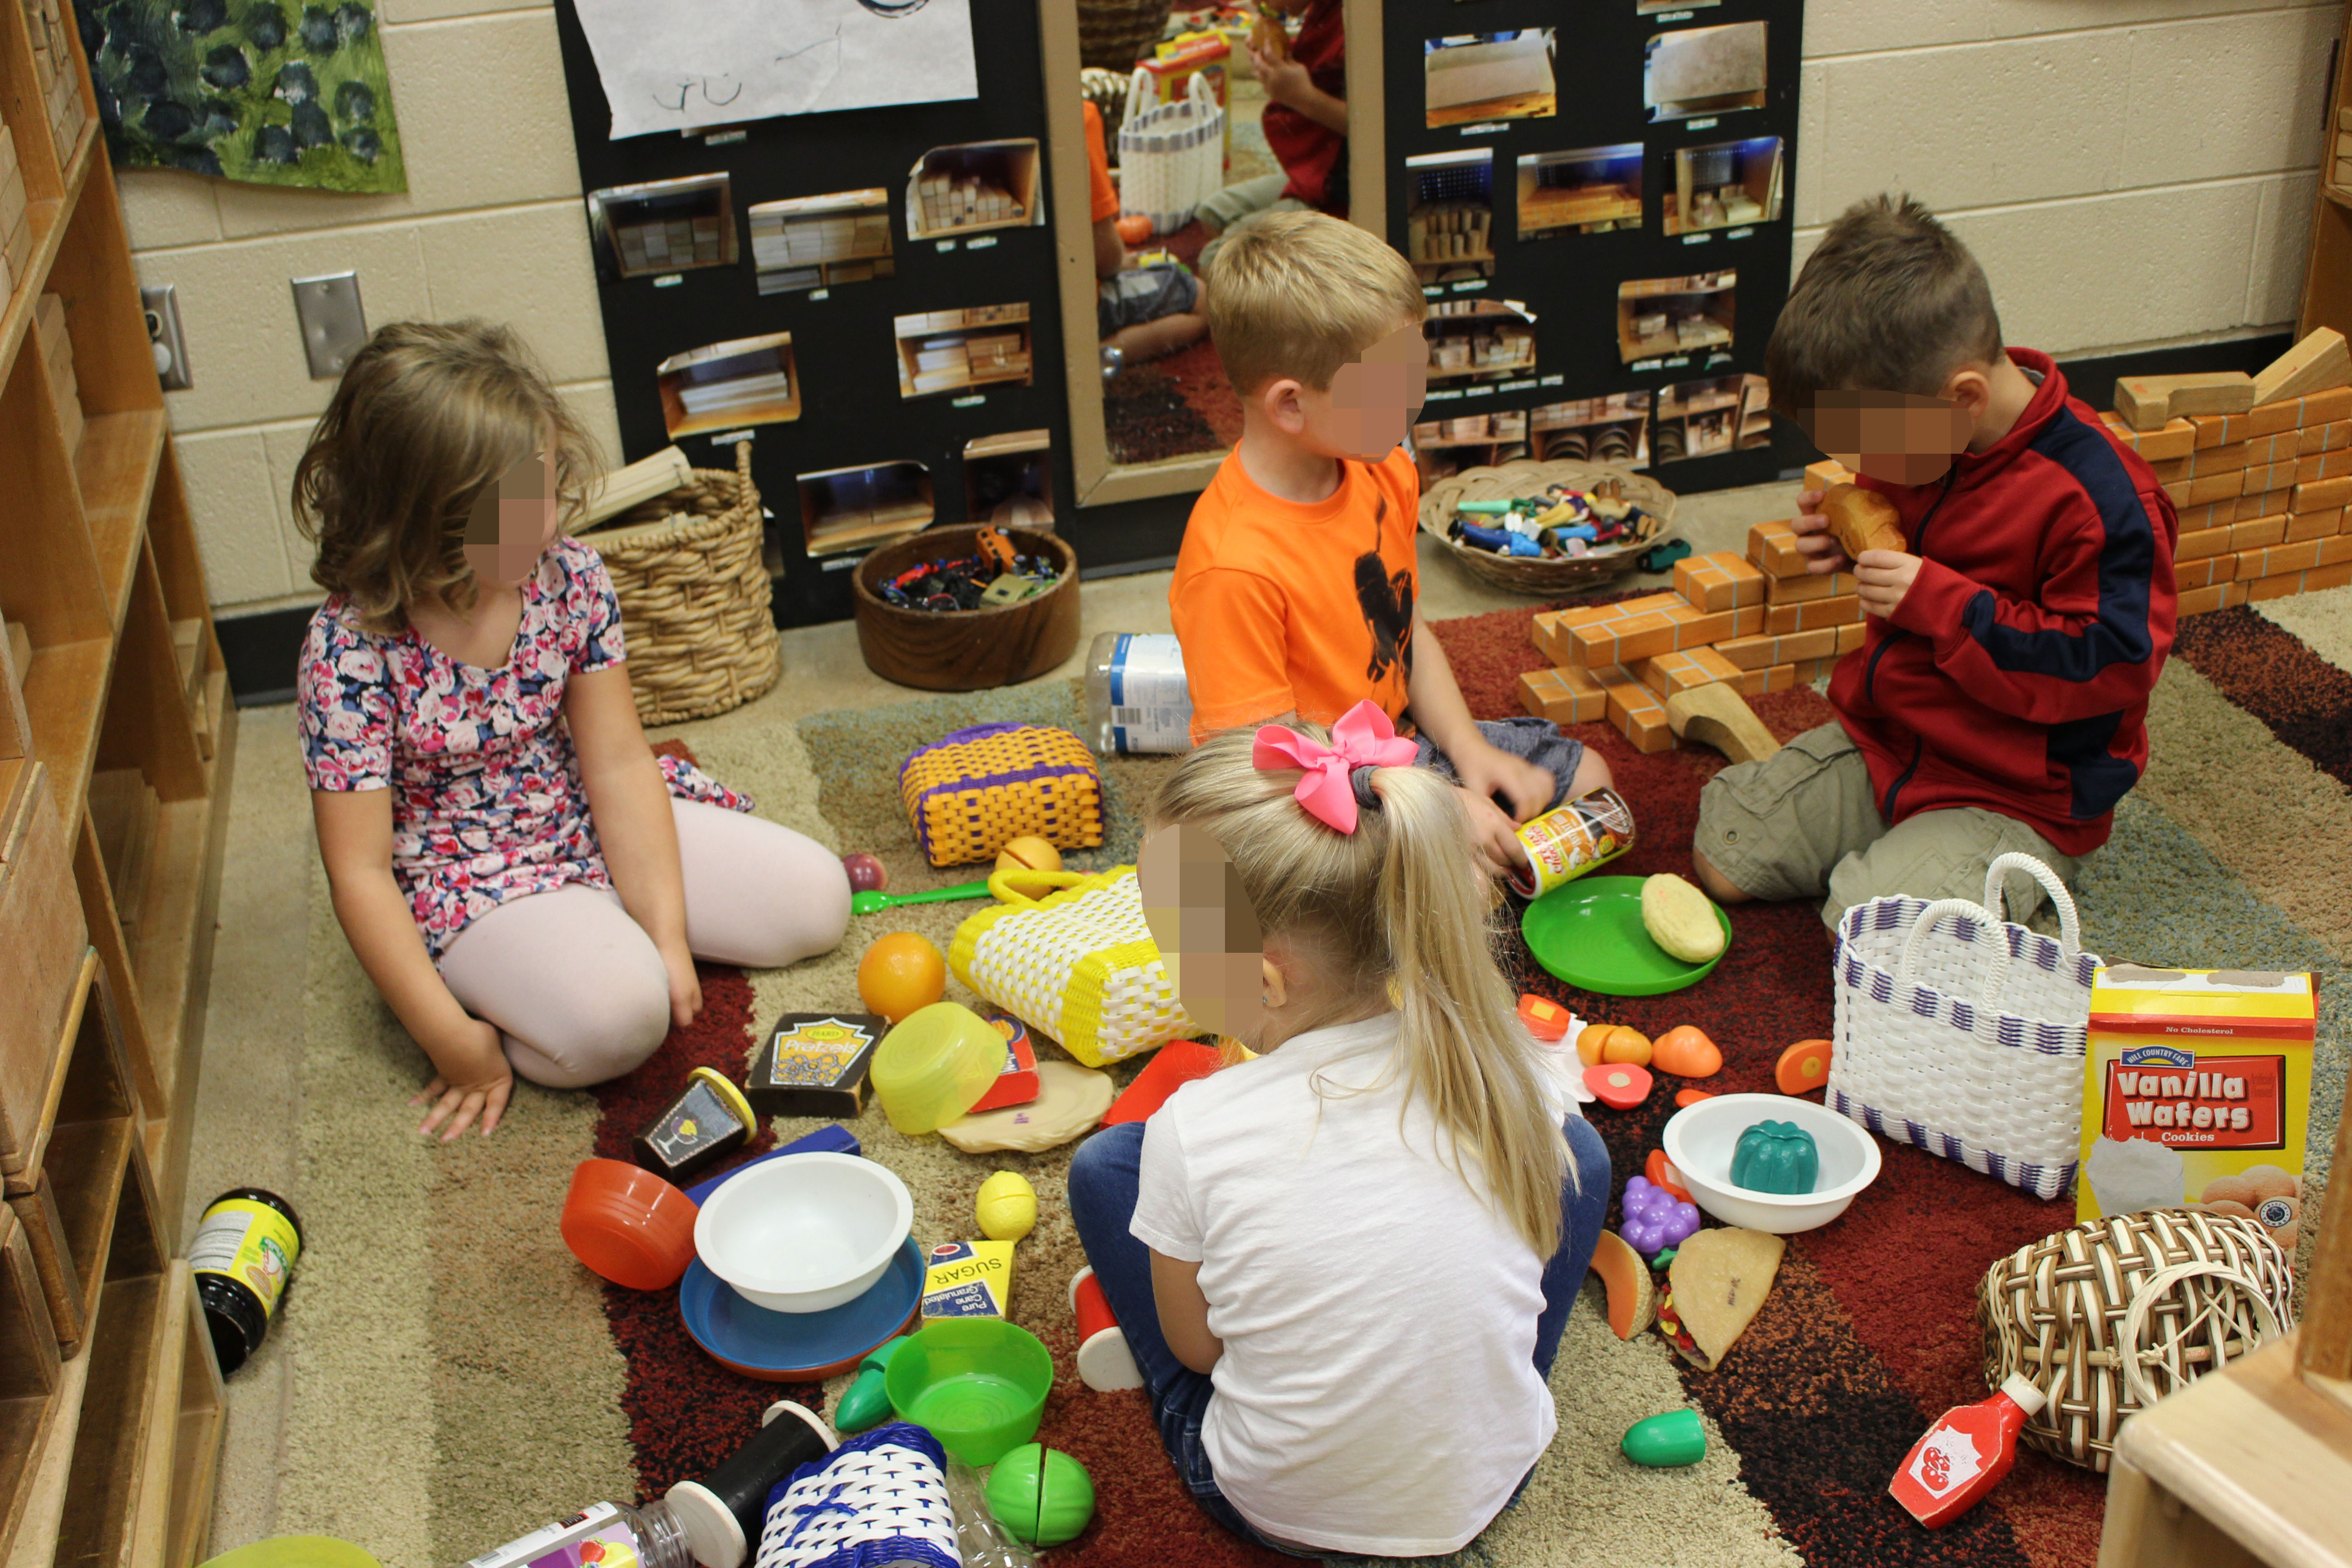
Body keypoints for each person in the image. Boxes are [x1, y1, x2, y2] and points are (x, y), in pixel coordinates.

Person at [1068, 710, 1609, 1558]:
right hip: (1490, 1484)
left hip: (1275, 1512)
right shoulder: (1513, 1071)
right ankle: (1489, 1384)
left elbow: (1199, 1351)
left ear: (1260, 982)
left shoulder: (1195, 1129)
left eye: (1167, 935)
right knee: (1575, 1153)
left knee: (1103, 1166)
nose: (1157, 951)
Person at [293, 320, 849, 1140]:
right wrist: (455, 1043)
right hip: (465, 875)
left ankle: (596, 936)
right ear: (421, 521)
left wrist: (662, 926)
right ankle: (534, 967)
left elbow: (620, 763)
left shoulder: (569, 576)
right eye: (518, 508)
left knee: (817, 901)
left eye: (548, 487)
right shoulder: (346, 653)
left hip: (575, 815)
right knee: (620, 1021)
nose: (551, 520)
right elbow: (361, 874)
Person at [1693, 194, 2179, 932]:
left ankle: (2016, 901)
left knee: (1864, 931)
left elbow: (2108, 665)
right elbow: (1899, 515)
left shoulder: (2102, 503)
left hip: (2015, 791)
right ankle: (1920, 861)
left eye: (1864, 441)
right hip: (1886, 739)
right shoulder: (1927, 440)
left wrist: (1941, 603)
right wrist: (1839, 543)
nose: (1855, 465)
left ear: (1962, 399)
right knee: (1724, 848)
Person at [1170, 211, 1612, 875]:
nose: (1415, 400)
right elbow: (1271, 776)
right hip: (1312, 802)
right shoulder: (1232, 568)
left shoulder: (1384, 466)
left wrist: (1468, 752)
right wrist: (1434, 808)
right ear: (1289, 405)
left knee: (1591, 783)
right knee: (1460, 879)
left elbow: (1406, 633)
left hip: (1399, 753)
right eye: (1389, 386)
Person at [1194, 0, 1348, 279]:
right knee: (1211, 214)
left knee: (1216, 260)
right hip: (1316, 166)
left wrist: (1304, 98)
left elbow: (1383, 127)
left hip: (1343, 185)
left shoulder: (1361, 23)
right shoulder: (1322, 11)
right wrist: (1280, 63)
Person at [1083, 98, 1209, 373]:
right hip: (1074, 308)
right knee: (1201, 298)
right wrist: (1119, 261)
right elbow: (1104, 256)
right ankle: (1092, 359)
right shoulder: (1077, 117)